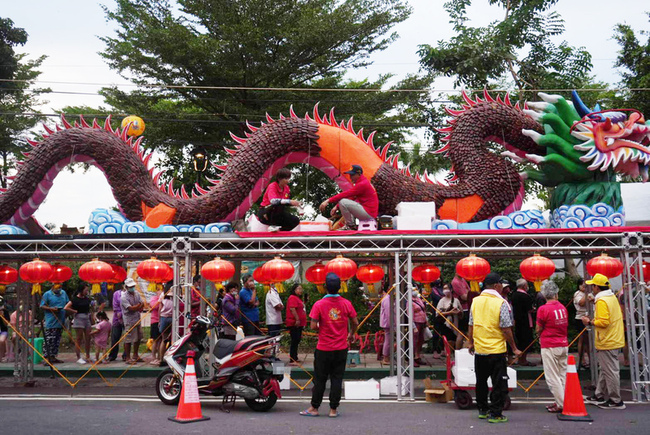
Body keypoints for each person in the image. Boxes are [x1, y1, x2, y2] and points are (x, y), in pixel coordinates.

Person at [300, 273, 358, 418]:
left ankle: (314, 407)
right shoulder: (346, 303)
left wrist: (324, 327)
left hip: (324, 348)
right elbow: (355, 322)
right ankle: (333, 410)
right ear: (340, 287)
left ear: (325, 287)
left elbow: (313, 326)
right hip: (341, 348)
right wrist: (351, 333)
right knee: (337, 378)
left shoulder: (319, 304)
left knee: (320, 379)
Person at [468, 272, 521, 423]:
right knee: (498, 383)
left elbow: (471, 324)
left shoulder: (476, 301)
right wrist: (514, 347)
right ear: (497, 285)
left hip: (480, 349)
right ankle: (496, 413)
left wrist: (470, 342)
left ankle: (482, 409)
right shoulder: (501, 303)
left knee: (481, 381)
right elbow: (506, 328)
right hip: (496, 350)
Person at [582, 273, 626, 409]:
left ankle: (615, 400)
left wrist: (589, 321)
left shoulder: (601, 301)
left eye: (593, 286)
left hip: (607, 340)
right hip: (613, 338)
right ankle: (599, 394)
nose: (592, 288)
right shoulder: (610, 297)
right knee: (605, 369)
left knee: (610, 370)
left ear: (596, 287)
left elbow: (603, 322)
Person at [536, 280, 569, 413]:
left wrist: (538, 334)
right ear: (556, 293)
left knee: (552, 376)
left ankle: (561, 403)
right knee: (563, 374)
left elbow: (538, 328)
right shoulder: (562, 307)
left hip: (549, 344)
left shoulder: (543, 309)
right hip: (563, 343)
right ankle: (564, 400)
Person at [319, 164, 378, 230]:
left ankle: (350, 226)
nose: (350, 177)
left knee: (343, 202)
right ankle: (350, 225)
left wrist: (328, 200)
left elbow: (346, 194)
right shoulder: (362, 182)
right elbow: (352, 197)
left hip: (369, 213)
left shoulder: (362, 184)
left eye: (352, 175)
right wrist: (337, 206)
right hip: (369, 212)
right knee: (346, 203)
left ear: (359, 174)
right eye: (350, 175)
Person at [258, 167, 302, 231]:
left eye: (288, 178)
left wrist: (296, 204)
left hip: (278, 214)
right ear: (279, 179)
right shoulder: (272, 186)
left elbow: (287, 202)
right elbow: (273, 201)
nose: (287, 180)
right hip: (266, 212)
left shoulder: (287, 188)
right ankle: (272, 226)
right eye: (285, 178)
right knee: (279, 204)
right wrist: (289, 201)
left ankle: (280, 231)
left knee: (295, 220)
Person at [40, 284, 70, 364]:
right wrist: (51, 309)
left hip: (61, 320)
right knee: (49, 339)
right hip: (51, 321)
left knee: (56, 340)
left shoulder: (63, 293)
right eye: (57, 288)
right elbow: (42, 306)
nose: (59, 289)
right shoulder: (47, 294)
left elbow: (68, 303)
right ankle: (46, 358)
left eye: (60, 287)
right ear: (52, 287)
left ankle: (53, 356)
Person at [64, 284, 94, 364]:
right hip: (79, 318)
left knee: (88, 337)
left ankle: (87, 356)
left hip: (86, 317)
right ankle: (78, 357)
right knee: (79, 338)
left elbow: (90, 308)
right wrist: (74, 311)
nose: (86, 292)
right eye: (85, 290)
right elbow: (66, 307)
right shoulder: (75, 299)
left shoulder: (87, 299)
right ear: (81, 290)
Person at [511, 279, 536, 366]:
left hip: (517, 320)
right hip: (525, 320)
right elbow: (529, 309)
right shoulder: (525, 296)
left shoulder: (514, 295)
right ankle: (523, 360)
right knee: (525, 340)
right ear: (524, 286)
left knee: (520, 339)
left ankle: (520, 358)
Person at [120, 278, 144, 363]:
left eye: (133, 286)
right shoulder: (123, 297)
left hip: (137, 318)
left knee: (138, 338)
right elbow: (130, 308)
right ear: (126, 287)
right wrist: (138, 306)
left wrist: (138, 306)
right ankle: (127, 358)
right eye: (130, 286)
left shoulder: (137, 293)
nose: (132, 287)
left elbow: (142, 303)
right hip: (129, 321)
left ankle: (135, 355)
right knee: (128, 339)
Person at [436, 283, 463, 352]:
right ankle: (448, 356)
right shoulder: (442, 300)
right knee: (448, 340)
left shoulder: (456, 300)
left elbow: (461, 312)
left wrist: (458, 312)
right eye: (444, 288)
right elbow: (438, 313)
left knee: (454, 339)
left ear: (451, 289)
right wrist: (450, 312)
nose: (445, 290)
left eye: (447, 288)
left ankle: (452, 356)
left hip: (455, 323)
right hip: (445, 324)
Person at [573, 278, 593, 369]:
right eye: (583, 285)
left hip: (589, 318)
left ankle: (590, 359)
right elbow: (581, 303)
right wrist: (586, 293)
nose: (584, 287)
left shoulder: (590, 293)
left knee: (588, 341)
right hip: (580, 318)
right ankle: (582, 360)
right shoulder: (577, 294)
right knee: (582, 340)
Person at [286, 283, 307, 365]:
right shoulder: (292, 298)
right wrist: (297, 319)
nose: (300, 290)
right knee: (295, 339)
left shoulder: (297, 298)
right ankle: (292, 358)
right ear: (294, 290)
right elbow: (292, 309)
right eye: (298, 288)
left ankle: (295, 357)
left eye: (301, 288)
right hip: (294, 322)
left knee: (297, 339)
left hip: (300, 323)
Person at [108, 285, 127, 362]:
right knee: (115, 337)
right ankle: (112, 355)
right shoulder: (116, 294)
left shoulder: (132, 294)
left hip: (127, 318)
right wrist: (119, 314)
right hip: (117, 319)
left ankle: (126, 355)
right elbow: (115, 306)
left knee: (127, 338)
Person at [451, 274, 470, 347]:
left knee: (465, 332)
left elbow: (469, 291)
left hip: (466, 307)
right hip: (461, 309)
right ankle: (457, 352)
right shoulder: (455, 282)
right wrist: (468, 293)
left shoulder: (463, 279)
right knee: (461, 333)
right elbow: (464, 296)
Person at [157, 285, 174, 364]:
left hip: (163, 317)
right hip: (173, 318)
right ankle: (171, 359)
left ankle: (161, 359)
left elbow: (160, 309)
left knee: (164, 339)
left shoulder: (163, 295)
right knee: (173, 339)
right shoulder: (176, 293)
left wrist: (159, 320)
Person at [412, 289, 428, 367]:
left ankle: (417, 356)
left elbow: (424, 310)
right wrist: (413, 326)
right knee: (414, 341)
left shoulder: (418, 299)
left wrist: (426, 321)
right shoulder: (409, 302)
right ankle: (412, 358)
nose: (415, 291)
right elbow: (409, 315)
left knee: (421, 340)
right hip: (416, 323)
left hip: (422, 322)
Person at [148, 288, 162, 365]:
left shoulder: (163, 299)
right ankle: (153, 357)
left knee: (161, 340)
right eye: (159, 290)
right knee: (155, 340)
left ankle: (160, 357)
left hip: (161, 321)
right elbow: (154, 306)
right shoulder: (154, 299)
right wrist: (160, 300)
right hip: (155, 321)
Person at [379, 286, 392, 364]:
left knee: (388, 339)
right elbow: (388, 312)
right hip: (388, 322)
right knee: (388, 340)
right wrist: (392, 324)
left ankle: (386, 356)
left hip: (388, 322)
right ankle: (386, 357)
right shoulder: (387, 299)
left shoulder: (388, 298)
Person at [0, 296, 9, 362]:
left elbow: (6, 324)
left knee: (2, 341)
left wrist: (2, 316)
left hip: (3, 331)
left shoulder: (5, 312)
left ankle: (1, 356)